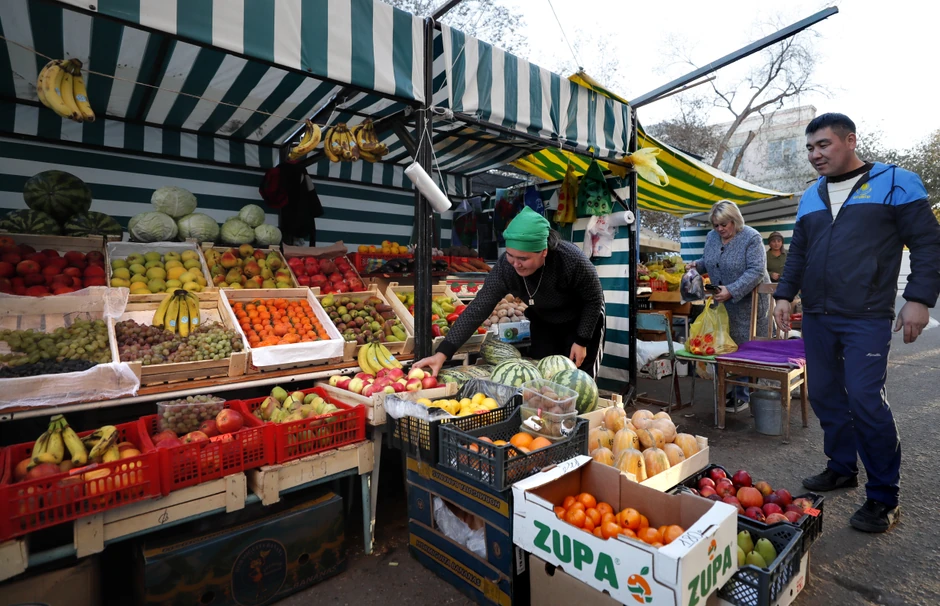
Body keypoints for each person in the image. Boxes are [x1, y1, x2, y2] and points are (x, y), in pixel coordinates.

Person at [773, 112, 940, 533]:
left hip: (865, 315)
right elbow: (798, 253)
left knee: (866, 400)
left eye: (823, 145)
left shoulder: (896, 181)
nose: (815, 154)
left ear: (850, 140)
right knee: (826, 396)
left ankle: (884, 496)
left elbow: (926, 242)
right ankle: (841, 467)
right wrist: (782, 294)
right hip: (817, 315)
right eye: (810, 147)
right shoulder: (811, 195)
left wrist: (919, 299)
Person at [414, 207, 606, 377]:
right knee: (540, 374)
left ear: (544, 251)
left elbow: (594, 299)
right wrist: (443, 353)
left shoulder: (571, 260)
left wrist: (581, 340)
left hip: (581, 319)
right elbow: (479, 307)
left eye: (523, 258)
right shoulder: (506, 268)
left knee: (578, 379)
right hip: (544, 319)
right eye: (510, 255)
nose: (516, 264)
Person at [690, 200, 770, 408]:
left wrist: (732, 290)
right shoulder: (712, 237)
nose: (720, 229)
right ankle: (728, 388)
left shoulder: (751, 237)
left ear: (735, 220)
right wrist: (696, 266)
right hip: (722, 300)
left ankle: (742, 394)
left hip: (748, 303)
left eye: (724, 224)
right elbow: (709, 261)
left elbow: (756, 270)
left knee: (743, 347)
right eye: (716, 225)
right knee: (722, 343)